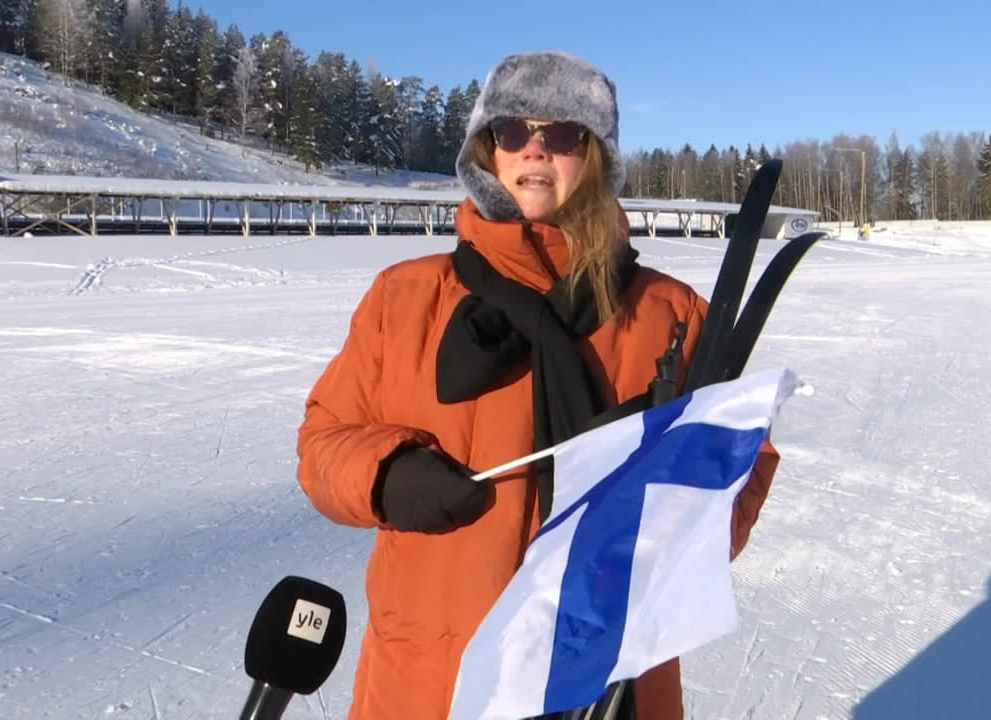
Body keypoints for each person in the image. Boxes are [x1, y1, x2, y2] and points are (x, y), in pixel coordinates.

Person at [296, 50, 781, 720]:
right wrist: (386, 474)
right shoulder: (404, 298)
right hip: (436, 676)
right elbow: (323, 443)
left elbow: (744, 458)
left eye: (560, 135)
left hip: (607, 676)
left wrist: (685, 513)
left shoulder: (670, 315)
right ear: (485, 151)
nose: (534, 151)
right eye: (511, 132)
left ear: (597, 155)